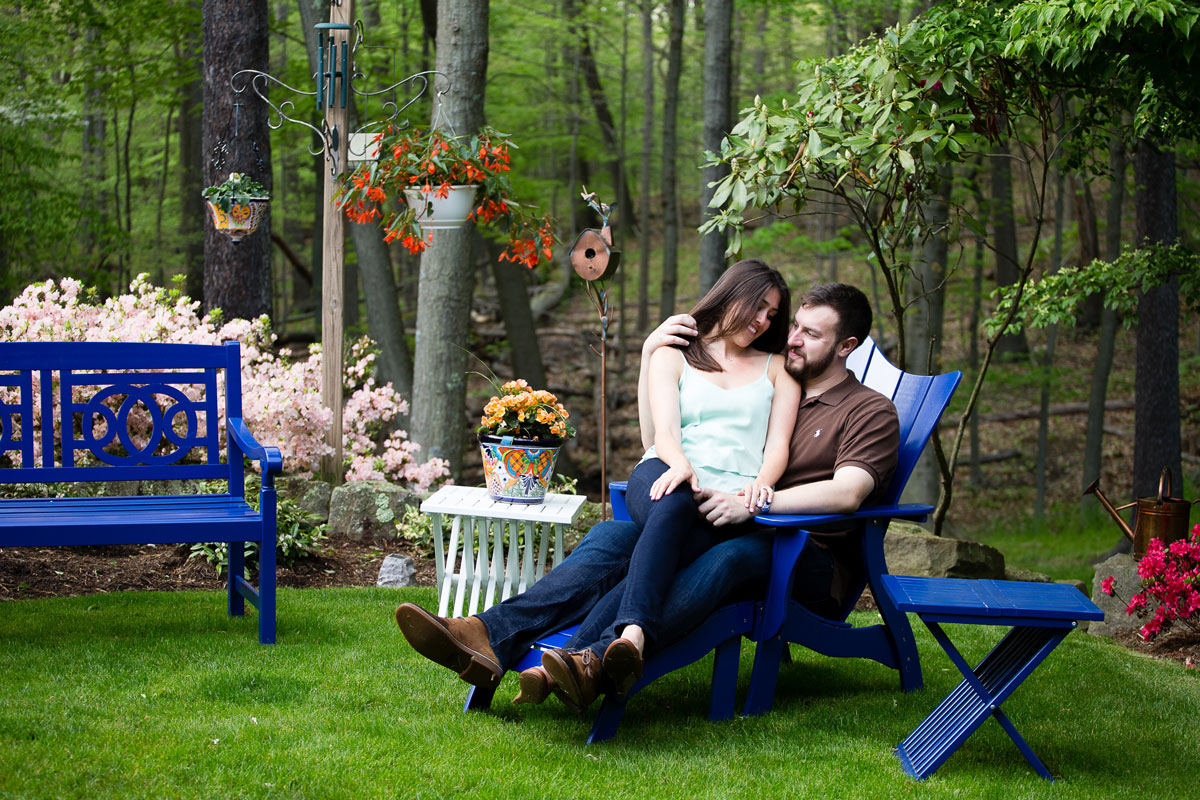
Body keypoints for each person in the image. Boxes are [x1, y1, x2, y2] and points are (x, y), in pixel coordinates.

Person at [395, 282, 899, 712]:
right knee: (615, 534)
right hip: (726, 516)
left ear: (845, 346)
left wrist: (755, 502)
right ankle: (496, 636)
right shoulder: (776, 381)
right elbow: (661, 437)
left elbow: (849, 491)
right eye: (795, 326)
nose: (791, 336)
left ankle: (582, 653)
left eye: (811, 334)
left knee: (723, 556)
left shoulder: (867, 410)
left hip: (804, 552)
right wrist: (649, 359)